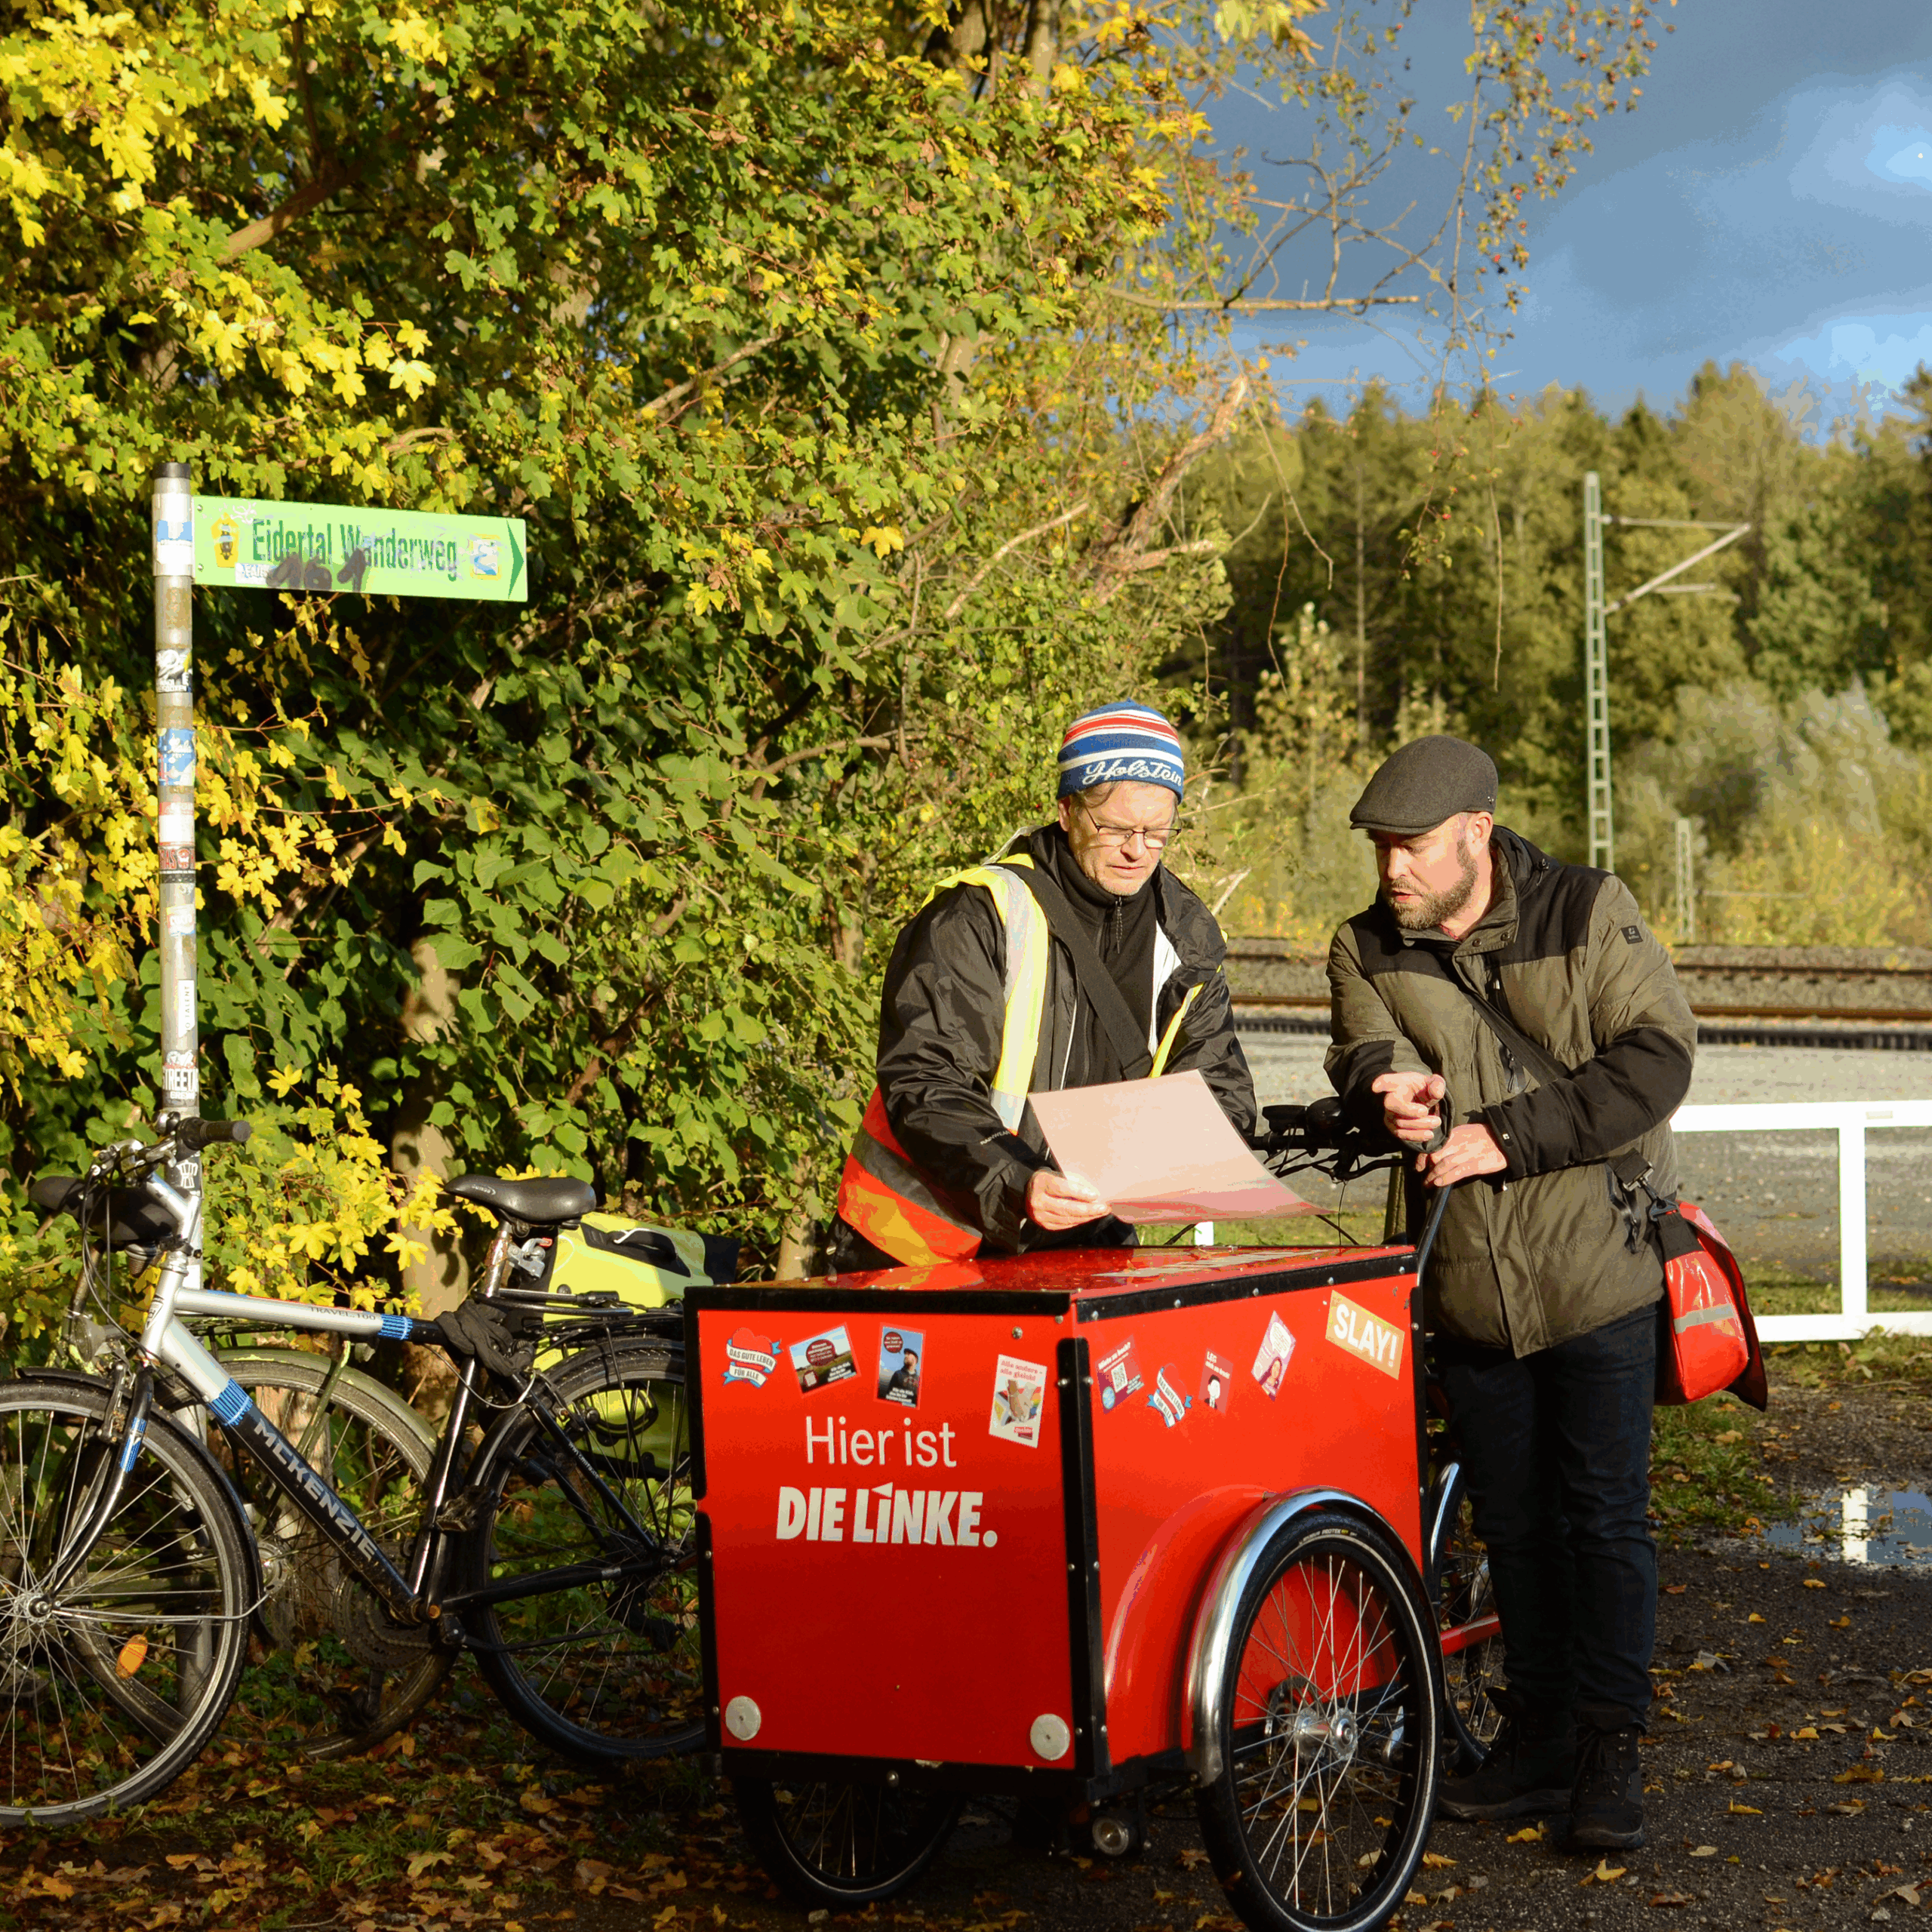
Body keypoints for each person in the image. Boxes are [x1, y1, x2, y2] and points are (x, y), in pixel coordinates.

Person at [1324, 734, 1695, 1853]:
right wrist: (1382, 1089)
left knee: (1603, 1525)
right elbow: (1360, 1050)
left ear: (1476, 835)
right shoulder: (1362, 944)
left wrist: (1503, 1137)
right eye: (1385, 847)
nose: (1393, 868)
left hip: (1597, 1274)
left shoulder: (1587, 910)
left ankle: (1608, 1751)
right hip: (1469, 1290)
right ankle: (1536, 1743)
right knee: (1516, 1534)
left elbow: (1658, 1058)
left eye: (1415, 847)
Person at [832, 701, 1257, 1269]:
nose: (1138, 851)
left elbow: (1220, 1092)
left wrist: (1180, 1161)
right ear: (1066, 810)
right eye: (1116, 828)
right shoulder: (980, 914)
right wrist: (1019, 1180)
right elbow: (927, 1078)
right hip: (920, 1244)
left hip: (1083, 1246)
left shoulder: (1187, 937)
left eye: (1158, 832)